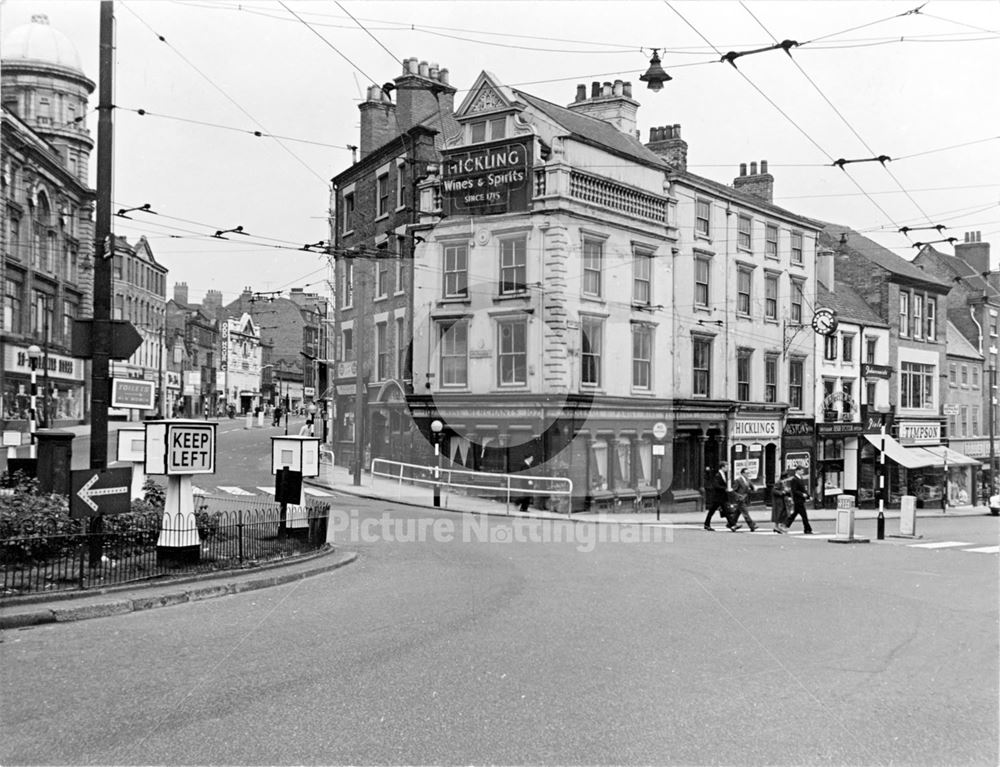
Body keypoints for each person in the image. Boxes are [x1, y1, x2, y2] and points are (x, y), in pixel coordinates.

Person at [704, 464, 738, 531]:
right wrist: (725, 488)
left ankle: (732, 525)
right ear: (722, 467)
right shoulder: (718, 475)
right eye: (726, 467)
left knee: (726, 511)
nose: (727, 468)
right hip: (718, 497)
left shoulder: (723, 474)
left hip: (722, 497)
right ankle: (707, 524)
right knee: (712, 511)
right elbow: (716, 485)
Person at [786, 466, 814, 534]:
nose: (803, 472)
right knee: (804, 515)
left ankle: (785, 525)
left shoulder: (800, 478)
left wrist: (808, 496)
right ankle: (807, 529)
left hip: (800, 500)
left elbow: (803, 489)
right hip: (798, 500)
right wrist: (802, 494)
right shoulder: (794, 479)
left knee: (794, 514)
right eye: (801, 471)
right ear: (797, 471)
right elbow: (794, 490)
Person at [731, 468, 758, 532]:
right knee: (745, 513)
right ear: (742, 473)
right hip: (740, 500)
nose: (748, 474)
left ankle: (731, 524)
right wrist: (738, 496)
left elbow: (751, 488)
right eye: (746, 473)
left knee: (737, 513)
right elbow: (733, 491)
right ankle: (752, 525)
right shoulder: (738, 480)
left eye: (748, 473)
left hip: (746, 499)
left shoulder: (748, 480)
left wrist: (754, 488)